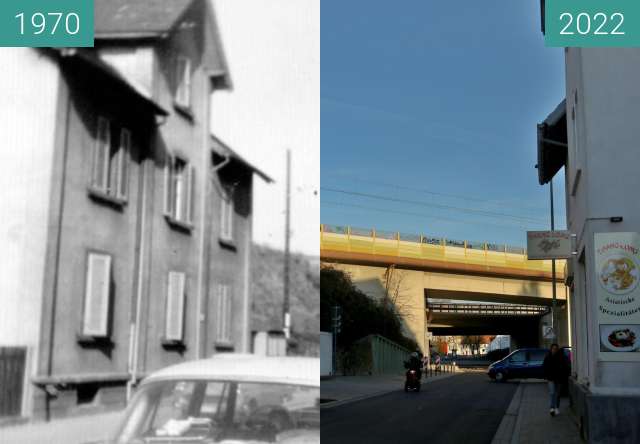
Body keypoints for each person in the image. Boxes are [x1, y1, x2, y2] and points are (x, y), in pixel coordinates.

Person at [543, 343, 570, 416]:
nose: (554, 350)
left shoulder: (561, 358)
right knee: (552, 393)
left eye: (556, 349)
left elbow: (565, 368)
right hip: (551, 378)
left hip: (559, 379)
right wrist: (546, 376)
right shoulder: (547, 357)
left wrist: (564, 376)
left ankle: (556, 407)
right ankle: (552, 408)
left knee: (557, 394)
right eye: (553, 349)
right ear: (551, 349)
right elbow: (544, 367)